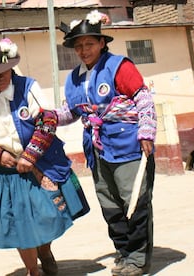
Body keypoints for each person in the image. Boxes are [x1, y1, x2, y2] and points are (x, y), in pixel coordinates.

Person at [0, 37, 89, 276]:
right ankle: (33, 270)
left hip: (37, 166)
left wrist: (30, 155)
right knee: (19, 226)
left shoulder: (28, 87)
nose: (1, 77)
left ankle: (45, 251)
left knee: (45, 217)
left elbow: (47, 120)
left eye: (4, 71)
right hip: (3, 173)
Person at [56, 10, 156, 276]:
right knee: (110, 205)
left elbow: (142, 98)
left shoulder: (119, 66)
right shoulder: (74, 78)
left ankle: (138, 258)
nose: (83, 50)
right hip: (97, 150)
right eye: (78, 46)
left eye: (89, 44)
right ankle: (124, 253)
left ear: (101, 42)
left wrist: (146, 132)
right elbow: (72, 112)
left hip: (128, 146)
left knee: (134, 201)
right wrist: (47, 117)